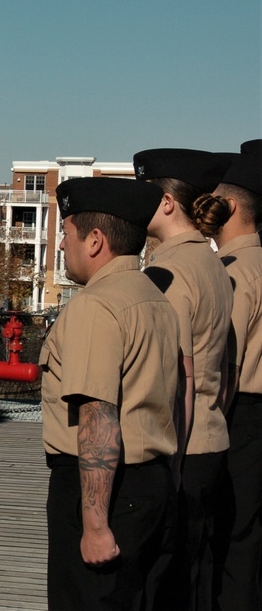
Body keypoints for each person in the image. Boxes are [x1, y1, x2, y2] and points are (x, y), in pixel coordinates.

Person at [41, 176, 179, 611]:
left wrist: (95, 524)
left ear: (95, 240)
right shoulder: (154, 298)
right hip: (153, 481)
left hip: (104, 491)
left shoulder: (95, 306)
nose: (62, 244)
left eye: (66, 232)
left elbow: (98, 414)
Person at [133, 148, 235, 609]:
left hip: (181, 446)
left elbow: (177, 376)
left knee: (167, 585)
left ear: (167, 203)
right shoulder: (212, 263)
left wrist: (169, 466)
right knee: (197, 577)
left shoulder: (169, 270)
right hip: (211, 437)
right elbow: (224, 365)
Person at [211, 140, 262, 610]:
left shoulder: (232, 272)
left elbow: (228, 366)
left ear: (227, 205)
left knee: (233, 542)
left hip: (240, 417)